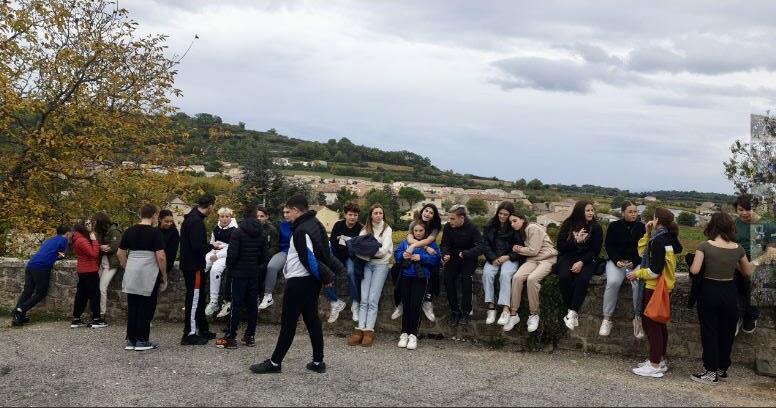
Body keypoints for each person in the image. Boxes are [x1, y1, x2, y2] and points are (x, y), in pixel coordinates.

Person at [250, 195, 343, 375]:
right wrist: (332, 272)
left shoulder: (301, 230)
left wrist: (327, 277)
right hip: (310, 282)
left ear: (296, 210)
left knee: (288, 324)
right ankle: (318, 362)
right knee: (312, 320)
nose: (286, 215)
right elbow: (325, 251)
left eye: (288, 211)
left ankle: (275, 363)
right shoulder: (314, 223)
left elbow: (309, 259)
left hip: (300, 282)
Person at [689, 212, 754, 385]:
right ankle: (722, 369)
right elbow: (747, 272)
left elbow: (695, 270)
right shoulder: (738, 248)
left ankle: (710, 372)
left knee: (709, 331)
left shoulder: (704, 246)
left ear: (713, 226)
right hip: (729, 291)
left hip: (709, 290)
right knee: (727, 331)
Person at [627, 207, 683, 378]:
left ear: (657, 220)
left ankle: (654, 365)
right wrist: (648, 233)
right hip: (666, 286)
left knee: (651, 325)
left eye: (652, 218)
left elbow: (654, 271)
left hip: (654, 288)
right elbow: (643, 252)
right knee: (659, 324)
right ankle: (660, 359)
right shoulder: (668, 238)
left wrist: (636, 273)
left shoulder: (658, 241)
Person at [117, 204, 167, 351]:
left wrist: (127, 266)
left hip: (132, 269)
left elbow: (120, 253)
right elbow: (161, 256)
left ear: (140, 214)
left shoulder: (129, 231)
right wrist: (164, 275)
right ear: (153, 215)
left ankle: (131, 340)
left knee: (133, 306)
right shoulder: (155, 233)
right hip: (148, 272)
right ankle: (142, 340)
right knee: (146, 306)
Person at [216, 204, 267, 349]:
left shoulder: (238, 232)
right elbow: (265, 258)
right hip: (253, 274)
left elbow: (232, 256)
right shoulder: (262, 233)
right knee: (252, 306)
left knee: (236, 305)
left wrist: (231, 269)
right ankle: (250, 336)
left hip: (238, 274)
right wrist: (257, 269)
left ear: (244, 215)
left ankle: (231, 337)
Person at [503, 212, 558, 332]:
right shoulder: (521, 231)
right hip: (533, 260)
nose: (512, 224)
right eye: (511, 222)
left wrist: (518, 249)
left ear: (522, 219)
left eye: (515, 221)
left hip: (547, 259)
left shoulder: (532, 228)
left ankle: (534, 314)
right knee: (517, 278)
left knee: (532, 279)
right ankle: (513, 314)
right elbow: (532, 253)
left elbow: (533, 250)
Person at [348, 204, 394, 347]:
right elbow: (357, 248)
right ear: (371, 215)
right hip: (366, 265)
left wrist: (368, 249)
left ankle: (369, 331)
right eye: (376, 213)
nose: (379, 215)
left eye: (381, 213)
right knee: (364, 298)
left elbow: (385, 250)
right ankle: (360, 330)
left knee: (373, 299)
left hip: (381, 265)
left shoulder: (387, 229)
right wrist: (372, 248)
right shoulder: (364, 230)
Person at [599, 201, 647, 338]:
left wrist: (634, 262)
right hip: (617, 262)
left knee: (637, 282)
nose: (634, 214)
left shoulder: (641, 227)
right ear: (623, 213)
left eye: (635, 212)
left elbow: (644, 249)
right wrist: (616, 261)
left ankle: (637, 319)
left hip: (635, 262)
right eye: (630, 212)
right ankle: (607, 319)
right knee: (613, 282)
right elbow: (609, 245)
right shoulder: (614, 226)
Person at [556, 201, 603, 331]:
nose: (591, 213)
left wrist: (582, 262)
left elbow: (595, 250)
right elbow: (560, 246)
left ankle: (573, 312)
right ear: (580, 211)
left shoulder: (596, 228)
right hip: (568, 256)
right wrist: (575, 241)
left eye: (592, 210)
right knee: (564, 277)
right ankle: (570, 311)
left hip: (588, 259)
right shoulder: (568, 224)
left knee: (583, 279)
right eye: (588, 210)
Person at [393, 223, 442, 350]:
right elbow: (397, 254)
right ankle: (404, 333)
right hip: (406, 276)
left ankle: (413, 335)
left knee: (416, 305)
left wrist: (421, 257)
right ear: (412, 231)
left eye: (421, 230)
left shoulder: (431, 244)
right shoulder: (405, 242)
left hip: (421, 278)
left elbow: (437, 259)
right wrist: (402, 255)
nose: (418, 233)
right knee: (406, 304)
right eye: (416, 230)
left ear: (425, 231)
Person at [11, 225, 72, 326]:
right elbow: (62, 255)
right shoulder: (64, 240)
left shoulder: (49, 240)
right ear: (67, 233)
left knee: (27, 291)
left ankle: (18, 317)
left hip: (31, 264)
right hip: (42, 267)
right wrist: (61, 256)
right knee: (41, 293)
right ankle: (20, 310)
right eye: (71, 233)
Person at [392, 203, 443, 322]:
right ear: (422, 211)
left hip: (424, 255)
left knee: (434, 270)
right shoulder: (414, 223)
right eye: (426, 211)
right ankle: (400, 302)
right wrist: (424, 247)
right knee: (395, 269)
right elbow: (409, 239)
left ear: (434, 215)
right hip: (417, 251)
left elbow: (429, 240)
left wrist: (423, 248)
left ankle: (428, 300)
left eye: (431, 212)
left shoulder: (435, 227)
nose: (428, 214)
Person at [732, 194, 775, 335]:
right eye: (740, 210)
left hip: (759, 260)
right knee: (731, 280)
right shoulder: (734, 224)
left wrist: (753, 264)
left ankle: (751, 315)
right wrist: (740, 264)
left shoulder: (769, 226)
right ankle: (737, 316)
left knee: (752, 280)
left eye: (748, 209)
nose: (744, 213)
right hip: (737, 259)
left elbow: (772, 252)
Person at [179, 194, 217, 345]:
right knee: (194, 299)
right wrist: (212, 246)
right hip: (193, 266)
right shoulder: (195, 221)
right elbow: (197, 247)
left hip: (193, 265)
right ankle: (189, 334)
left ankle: (202, 329)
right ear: (210, 206)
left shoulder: (193, 218)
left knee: (199, 298)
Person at [441, 205, 483, 327]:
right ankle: (455, 311)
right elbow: (444, 244)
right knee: (447, 277)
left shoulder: (472, 228)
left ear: (462, 218)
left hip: (468, 258)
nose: (450, 221)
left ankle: (466, 311)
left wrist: (467, 253)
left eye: (453, 219)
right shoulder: (448, 227)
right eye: (449, 218)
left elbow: (481, 247)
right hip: (453, 257)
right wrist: (445, 254)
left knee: (466, 278)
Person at [480, 201, 521, 326]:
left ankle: (505, 309)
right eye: (500, 213)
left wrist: (507, 257)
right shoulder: (490, 225)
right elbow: (485, 245)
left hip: (509, 258)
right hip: (494, 258)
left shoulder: (515, 227)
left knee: (505, 275)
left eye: (506, 214)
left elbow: (520, 248)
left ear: (510, 215)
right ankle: (491, 307)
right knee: (487, 273)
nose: (502, 216)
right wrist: (493, 259)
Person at [329, 202, 363, 322]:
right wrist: (337, 257)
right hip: (337, 256)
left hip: (350, 258)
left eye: (355, 215)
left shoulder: (360, 228)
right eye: (350, 214)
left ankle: (355, 303)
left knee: (351, 272)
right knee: (327, 273)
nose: (352, 217)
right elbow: (333, 243)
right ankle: (334, 301)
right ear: (345, 215)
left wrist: (346, 250)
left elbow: (357, 249)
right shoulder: (338, 225)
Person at [71, 219, 105, 329]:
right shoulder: (81, 240)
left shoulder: (77, 238)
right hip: (89, 270)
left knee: (82, 295)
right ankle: (96, 319)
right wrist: (94, 240)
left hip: (82, 270)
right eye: (87, 224)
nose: (89, 226)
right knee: (94, 295)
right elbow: (93, 254)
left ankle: (76, 319)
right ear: (82, 227)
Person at [204, 207, 238, 318]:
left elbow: (232, 248)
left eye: (227, 216)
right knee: (201, 265)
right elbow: (212, 242)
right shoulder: (216, 228)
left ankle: (214, 301)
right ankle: (197, 297)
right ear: (219, 217)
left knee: (215, 270)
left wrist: (217, 256)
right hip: (214, 251)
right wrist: (213, 250)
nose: (224, 219)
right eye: (222, 216)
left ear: (231, 217)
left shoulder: (234, 230)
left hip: (225, 255)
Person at [259, 207, 292, 310]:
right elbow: (276, 243)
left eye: (288, 212)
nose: (285, 215)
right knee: (272, 267)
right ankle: (268, 296)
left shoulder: (303, 225)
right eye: (284, 213)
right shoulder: (282, 225)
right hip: (285, 251)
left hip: (300, 253)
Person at [94, 212, 122, 325]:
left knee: (102, 288)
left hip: (111, 263)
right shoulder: (100, 232)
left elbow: (114, 247)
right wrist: (100, 247)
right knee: (96, 287)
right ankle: (96, 313)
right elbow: (96, 245)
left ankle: (102, 314)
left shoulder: (114, 231)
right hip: (102, 262)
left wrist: (99, 247)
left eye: (96, 221)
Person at [158, 210, 180, 276]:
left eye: (171, 221)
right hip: (153, 265)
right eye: (166, 221)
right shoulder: (155, 231)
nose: (169, 224)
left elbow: (172, 252)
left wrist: (166, 270)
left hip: (165, 265)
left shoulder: (174, 232)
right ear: (160, 219)